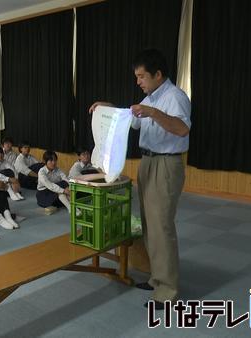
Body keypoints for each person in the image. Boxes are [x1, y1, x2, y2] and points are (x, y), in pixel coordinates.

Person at [88, 49, 191, 310]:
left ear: (158, 74)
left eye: (142, 76)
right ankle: (158, 279)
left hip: (166, 164)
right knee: (149, 224)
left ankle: (167, 291)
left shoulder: (174, 97)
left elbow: (182, 128)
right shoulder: (151, 97)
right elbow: (129, 120)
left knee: (161, 227)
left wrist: (153, 112)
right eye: (137, 77)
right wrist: (106, 108)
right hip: (148, 162)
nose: (138, 82)